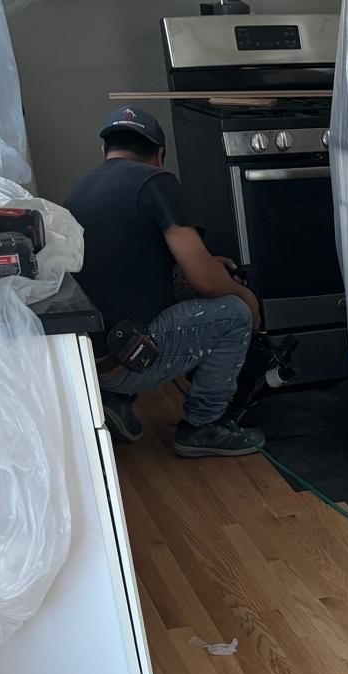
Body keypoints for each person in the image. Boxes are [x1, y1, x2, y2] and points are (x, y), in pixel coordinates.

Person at [65, 106, 264, 458]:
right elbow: (206, 282)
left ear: (105, 151)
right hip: (131, 357)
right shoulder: (156, 182)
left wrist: (202, 264)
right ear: (158, 155)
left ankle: (116, 400)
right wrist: (245, 296)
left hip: (89, 359)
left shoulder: (81, 188)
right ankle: (202, 426)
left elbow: (126, 261)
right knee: (234, 312)